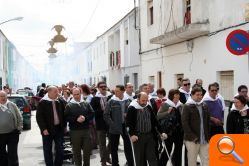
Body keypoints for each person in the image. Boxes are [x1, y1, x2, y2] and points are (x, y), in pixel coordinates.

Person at [126, 92, 167, 166]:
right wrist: (132, 135)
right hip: (138, 137)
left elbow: (155, 121)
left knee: (152, 158)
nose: (145, 102)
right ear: (138, 99)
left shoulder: (148, 107)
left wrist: (162, 132)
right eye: (143, 100)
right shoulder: (132, 108)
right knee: (140, 159)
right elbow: (128, 123)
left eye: (146, 100)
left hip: (149, 136)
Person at [104, 85, 134, 166]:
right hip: (114, 128)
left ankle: (131, 163)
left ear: (123, 91)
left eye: (117, 91)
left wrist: (128, 115)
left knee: (128, 147)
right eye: (115, 91)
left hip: (125, 127)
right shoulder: (111, 101)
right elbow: (106, 115)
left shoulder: (128, 101)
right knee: (114, 148)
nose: (115, 92)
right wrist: (112, 124)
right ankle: (115, 164)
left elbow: (133, 114)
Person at [36, 86, 66, 166]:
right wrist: (43, 129)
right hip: (47, 130)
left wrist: (64, 126)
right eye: (55, 92)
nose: (58, 93)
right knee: (47, 150)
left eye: (57, 91)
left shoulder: (60, 101)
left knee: (60, 149)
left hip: (58, 128)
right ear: (49, 92)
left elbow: (65, 113)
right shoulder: (42, 102)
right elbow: (39, 117)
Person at [65, 88, 94, 166]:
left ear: (80, 94)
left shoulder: (86, 103)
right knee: (76, 152)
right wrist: (76, 119)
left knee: (87, 151)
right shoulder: (69, 105)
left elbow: (92, 113)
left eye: (78, 94)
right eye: (74, 94)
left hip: (86, 130)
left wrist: (85, 118)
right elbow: (66, 117)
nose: (76, 96)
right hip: (75, 131)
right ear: (72, 95)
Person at [182, 87, 210, 166]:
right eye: (197, 95)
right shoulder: (187, 106)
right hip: (192, 140)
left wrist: (208, 136)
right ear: (192, 95)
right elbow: (184, 123)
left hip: (204, 139)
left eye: (201, 95)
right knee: (192, 161)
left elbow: (208, 122)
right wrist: (192, 137)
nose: (200, 96)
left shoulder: (205, 106)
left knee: (207, 160)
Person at [157, 89, 183, 166]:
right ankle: (161, 164)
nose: (177, 98)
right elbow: (158, 116)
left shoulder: (181, 105)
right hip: (168, 131)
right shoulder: (165, 104)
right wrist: (167, 112)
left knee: (178, 150)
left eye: (178, 96)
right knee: (168, 149)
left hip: (179, 131)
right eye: (175, 96)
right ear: (171, 96)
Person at [90, 82, 112, 166]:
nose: (103, 88)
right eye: (101, 87)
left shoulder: (111, 97)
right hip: (100, 123)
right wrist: (104, 110)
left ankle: (106, 156)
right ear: (98, 88)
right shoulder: (95, 99)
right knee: (102, 143)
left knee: (113, 141)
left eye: (104, 86)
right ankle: (104, 161)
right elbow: (92, 111)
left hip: (111, 123)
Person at [0, 90, 23, 166]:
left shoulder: (12, 105)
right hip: (0, 135)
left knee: (12, 153)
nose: (2, 98)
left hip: (12, 133)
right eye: (1, 96)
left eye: (4, 96)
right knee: (1, 154)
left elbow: (19, 117)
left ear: (7, 96)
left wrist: (19, 128)